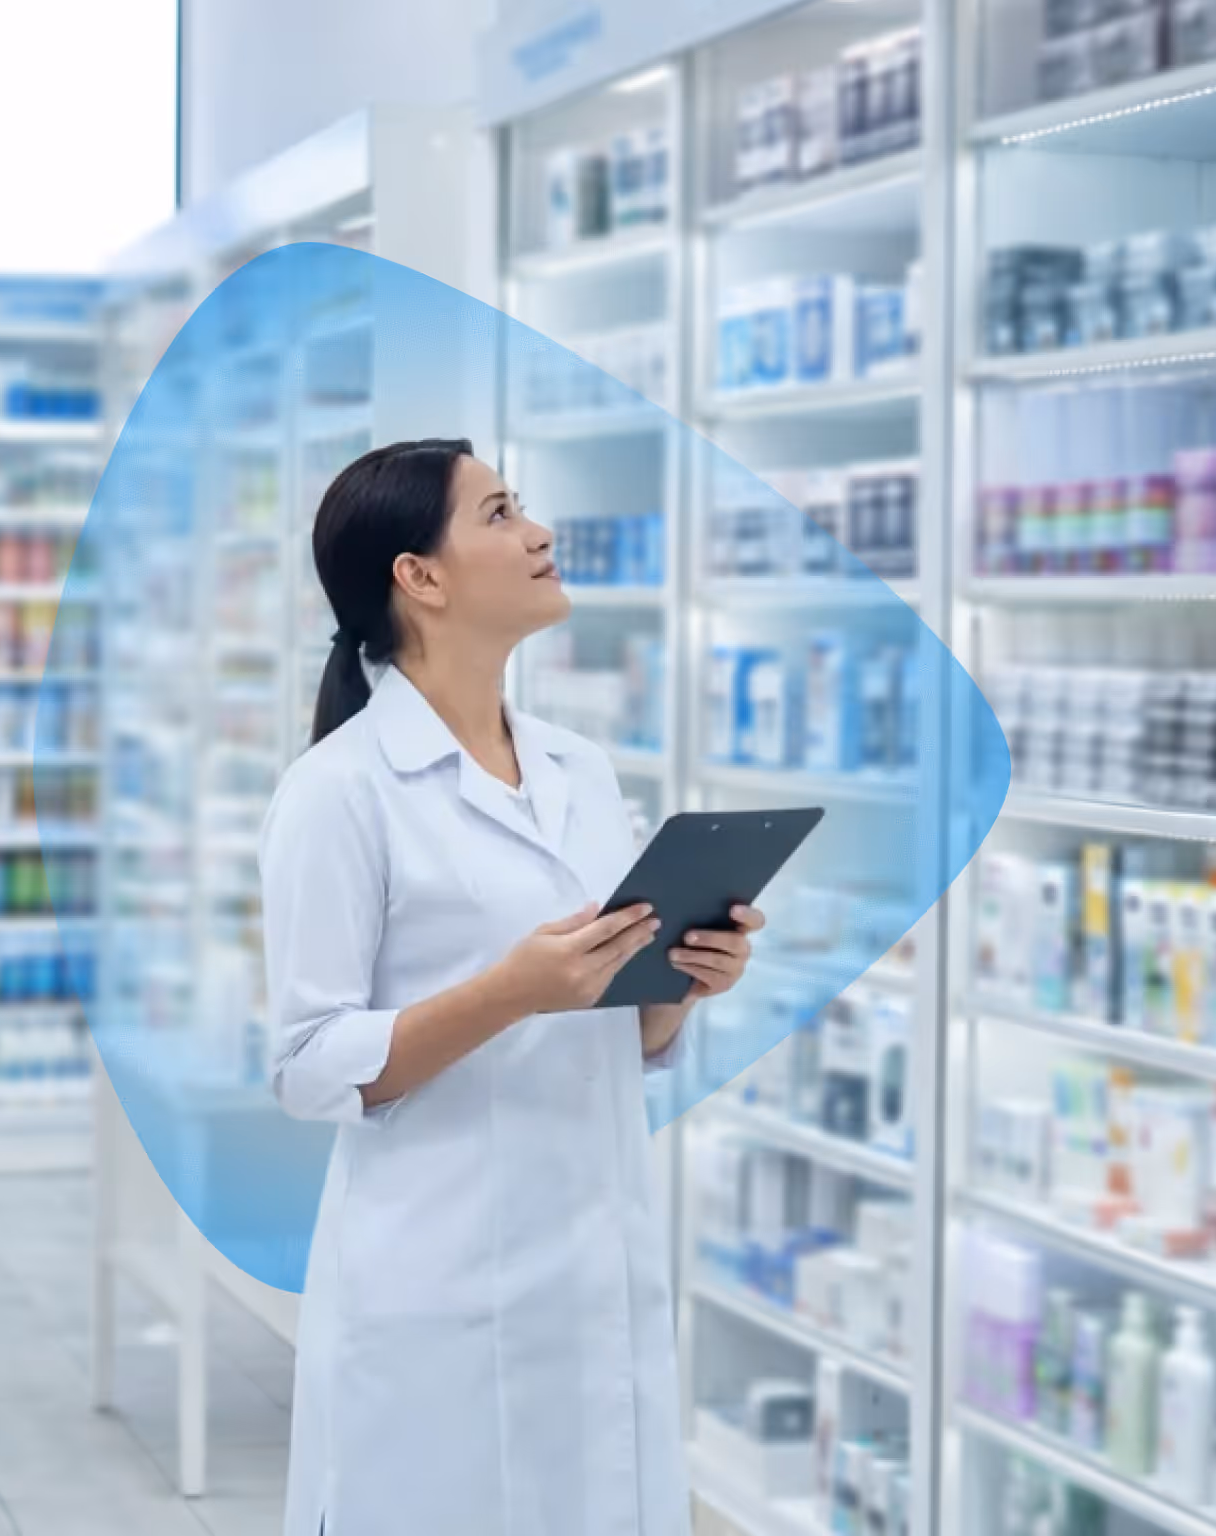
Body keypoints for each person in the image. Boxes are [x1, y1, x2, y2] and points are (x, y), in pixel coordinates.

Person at [257, 438, 765, 1536]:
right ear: (419, 576)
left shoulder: (581, 770)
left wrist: (678, 982)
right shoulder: (339, 791)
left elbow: (612, 1033)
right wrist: (510, 991)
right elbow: (305, 1065)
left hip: (592, 1271)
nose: (538, 533)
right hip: (436, 1288)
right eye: (497, 513)